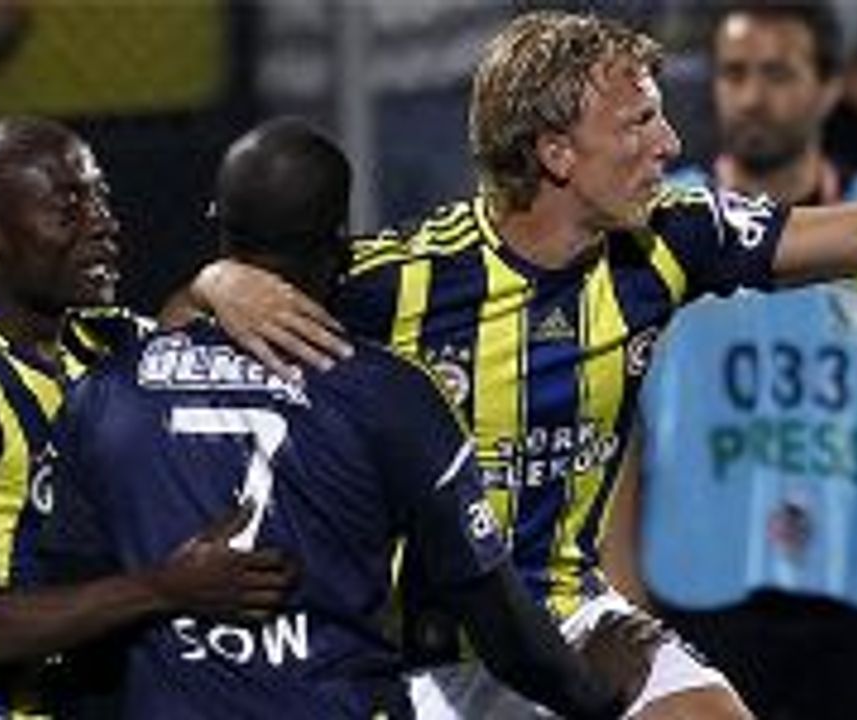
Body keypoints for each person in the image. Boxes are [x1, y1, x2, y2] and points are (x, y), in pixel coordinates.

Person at [188, 11, 857, 719]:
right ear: (556, 153)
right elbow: (175, 350)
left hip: (572, 613)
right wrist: (217, 282)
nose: (671, 146)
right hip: (420, 649)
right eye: (638, 122)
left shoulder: (672, 237)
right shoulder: (402, 280)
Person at [45, 117, 658, 719]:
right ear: (342, 240)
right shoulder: (391, 396)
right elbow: (491, 611)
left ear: (218, 226)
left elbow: (70, 615)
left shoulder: (105, 394)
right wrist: (595, 693)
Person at [597, 5, 857, 720]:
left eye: (777, 73)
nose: (752, 95)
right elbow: (614, 415)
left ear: (830, 86)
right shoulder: (653, 224)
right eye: (735, 73)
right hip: (703, 583)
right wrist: (618, 581)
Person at [0, 117, 295, 718]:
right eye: (69, 209)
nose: (103, 224)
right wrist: (165, 587)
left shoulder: (95, 340)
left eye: (101, 199)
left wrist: (216, 282)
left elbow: (178, 339)